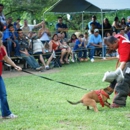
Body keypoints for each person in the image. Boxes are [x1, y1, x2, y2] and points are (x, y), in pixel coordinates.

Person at [104, 34, 130, 108]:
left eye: (111, 46)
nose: (111, 48)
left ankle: (118, 102)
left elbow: (123, 64)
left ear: (115, 42)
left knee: (122, 79)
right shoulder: (117, 38)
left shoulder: (124, 46)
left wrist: (116, 74)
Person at [0, 31, 22, 119]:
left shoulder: (1, 49)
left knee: (3, 95)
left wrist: (15, 66)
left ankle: (6, 113)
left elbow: (6, 58)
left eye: (0, 38)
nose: (0, 40)